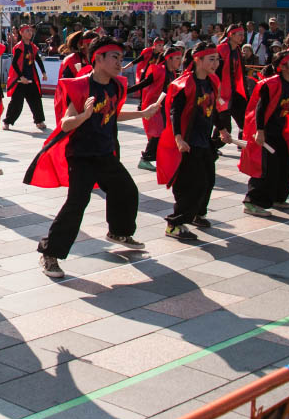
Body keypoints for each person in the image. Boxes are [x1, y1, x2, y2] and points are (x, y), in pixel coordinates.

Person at [26, 36, 162, 278]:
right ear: (98, 58)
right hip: (82, 156)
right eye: (115, 57)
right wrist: (84, 116)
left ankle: (118, 232)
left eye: (121, 58)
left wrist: (144, 112)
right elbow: (66, 124)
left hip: (105, 154)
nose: (120, 63)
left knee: (127, 191)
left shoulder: (116, 86)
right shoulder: (81, 87)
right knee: (76, 204)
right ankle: (50, 253)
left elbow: (114, 114)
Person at [156, 42, 233, 242]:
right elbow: (175, 112)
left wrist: (222, 129)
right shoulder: (184, 84)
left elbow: (213, 109)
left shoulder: (212, 81)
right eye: (211, 59)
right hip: (189, 142)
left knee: (208, 180)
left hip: (204, 140)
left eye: (217, 59)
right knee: (192, 184)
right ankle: (175, 223)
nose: (216, 64)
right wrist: (179, 138)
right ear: (198, 60)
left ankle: (198, 212)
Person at [239, 50, 289, 216]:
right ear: (283, 67)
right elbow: (260, 109)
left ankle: (277, 198)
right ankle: (252, 202)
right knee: (265, 167)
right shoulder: (271, 84)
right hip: (264, 132)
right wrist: (260, 131)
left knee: (285, 164)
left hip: (279, 131)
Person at [128, 45, 183, 170]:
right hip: (153, 107)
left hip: (164, 108)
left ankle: (159, 157)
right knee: (157, 133)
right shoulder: (159, 71)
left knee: (163, 133)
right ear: (168, 59)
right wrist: (125, 91)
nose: (180, 62)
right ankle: (145, 159)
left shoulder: (173, 73)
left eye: (181, 58)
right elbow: (143, 84)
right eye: (177, 58)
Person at [3, 23, 46, 133]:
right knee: (16, 103)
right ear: (21, 33)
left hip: (31, 78)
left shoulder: (33, 47)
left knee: (36, 100)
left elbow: (38, 60)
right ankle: (7, 122)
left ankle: (39, 121)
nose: (30, 33)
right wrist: (21, 77)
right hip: (20, 80)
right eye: (27, 31)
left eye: (31, 31)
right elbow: (14, 63)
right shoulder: (19, 47)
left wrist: (43, 72)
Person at [214, 24, 249, 143]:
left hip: (234, 90)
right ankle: (213, 146)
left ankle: (243, 142)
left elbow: (241, 73)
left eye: (243, 35)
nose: (242, 37)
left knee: (246, 118)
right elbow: (216, 73)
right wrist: (217, 93)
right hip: (222, 93)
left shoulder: (237, 50)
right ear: (231, 35)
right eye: (240, 35)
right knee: (225, 126)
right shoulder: (221, 49)